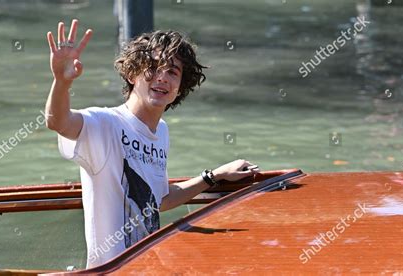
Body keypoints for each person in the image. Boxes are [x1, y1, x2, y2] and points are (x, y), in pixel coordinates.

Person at [44, 19, 259, 268]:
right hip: (113, 271)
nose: (162, 78)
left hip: (147, 267)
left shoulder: (161, 131)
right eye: (153, 68)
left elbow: (157, 201)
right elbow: (58, 122)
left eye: (172, 72)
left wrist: (214, 176)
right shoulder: (106, 124)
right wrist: (61, 81)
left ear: (180, 88)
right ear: (132, 73)